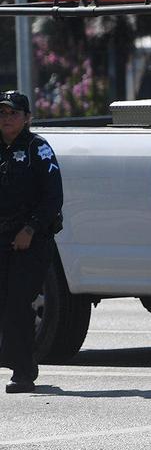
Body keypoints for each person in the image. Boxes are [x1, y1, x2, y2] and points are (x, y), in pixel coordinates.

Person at [0, 91, 62, 394]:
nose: (7, 118)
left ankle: (22, 372)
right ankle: (16, 360)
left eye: (13, 113)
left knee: (17, 303)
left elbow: (53, 197)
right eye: (2, 113)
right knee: (4, 304)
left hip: (31, 241)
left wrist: (30, 229)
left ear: (27, 118)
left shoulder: (39, 149)